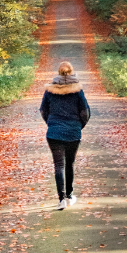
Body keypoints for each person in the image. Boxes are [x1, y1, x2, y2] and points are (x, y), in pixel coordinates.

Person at [40, 61, 90, 210]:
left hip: (54, 132)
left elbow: (43, 110)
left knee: (58, 166)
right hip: (73, 132)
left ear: (58, 73)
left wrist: (51, 124)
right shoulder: (78, 91)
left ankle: (61, 199)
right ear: (72, 72)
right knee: (69, 163)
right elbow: (85, 112)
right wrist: (79, 126)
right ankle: (69, 195)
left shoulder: (50, 90)